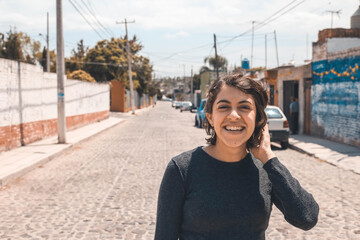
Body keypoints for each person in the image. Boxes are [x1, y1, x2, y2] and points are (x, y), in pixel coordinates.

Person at [155, 74, 319, 240]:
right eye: (224, 107)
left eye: (244, 107)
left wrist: (268, 157)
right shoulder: (181, 169)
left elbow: (307, 218)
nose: (234, 115)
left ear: (258, 119)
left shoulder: (266, 169)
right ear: (210, 117)